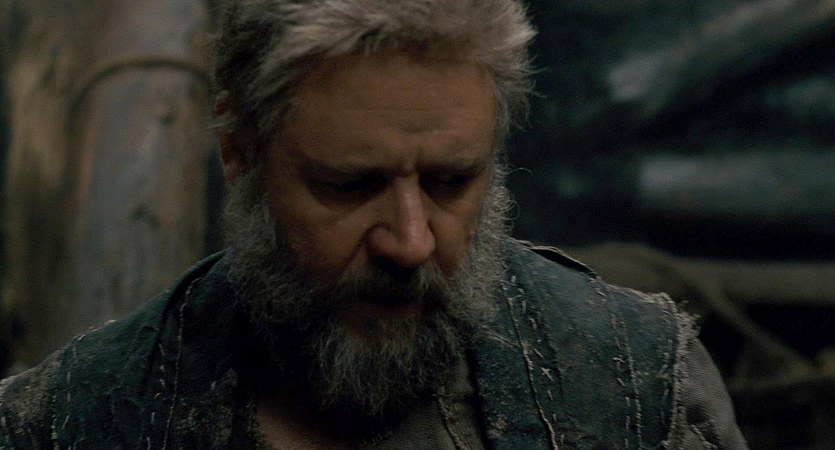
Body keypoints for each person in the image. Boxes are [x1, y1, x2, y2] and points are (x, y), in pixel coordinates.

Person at [0, 0, 748, 448]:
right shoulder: (69, 424)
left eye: (452, 181)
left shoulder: (636, 390)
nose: (411, 242)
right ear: (240, 150)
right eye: (349, 186)